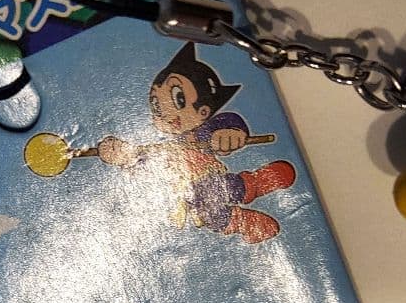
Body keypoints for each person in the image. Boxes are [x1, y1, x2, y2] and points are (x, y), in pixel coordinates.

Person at [97, 43, 295, 243]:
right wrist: (120, 155)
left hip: (207, 176)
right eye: (156, 104)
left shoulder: (202, 131)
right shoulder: (153, 145)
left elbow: (228, 121)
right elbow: (138, 162)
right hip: (183, 193)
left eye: (178, 98)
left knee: (228, 187)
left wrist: (230, 134)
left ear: (203, 112)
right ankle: (246, 222)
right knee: (209, 214)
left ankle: (258, 182)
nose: (163, 112)